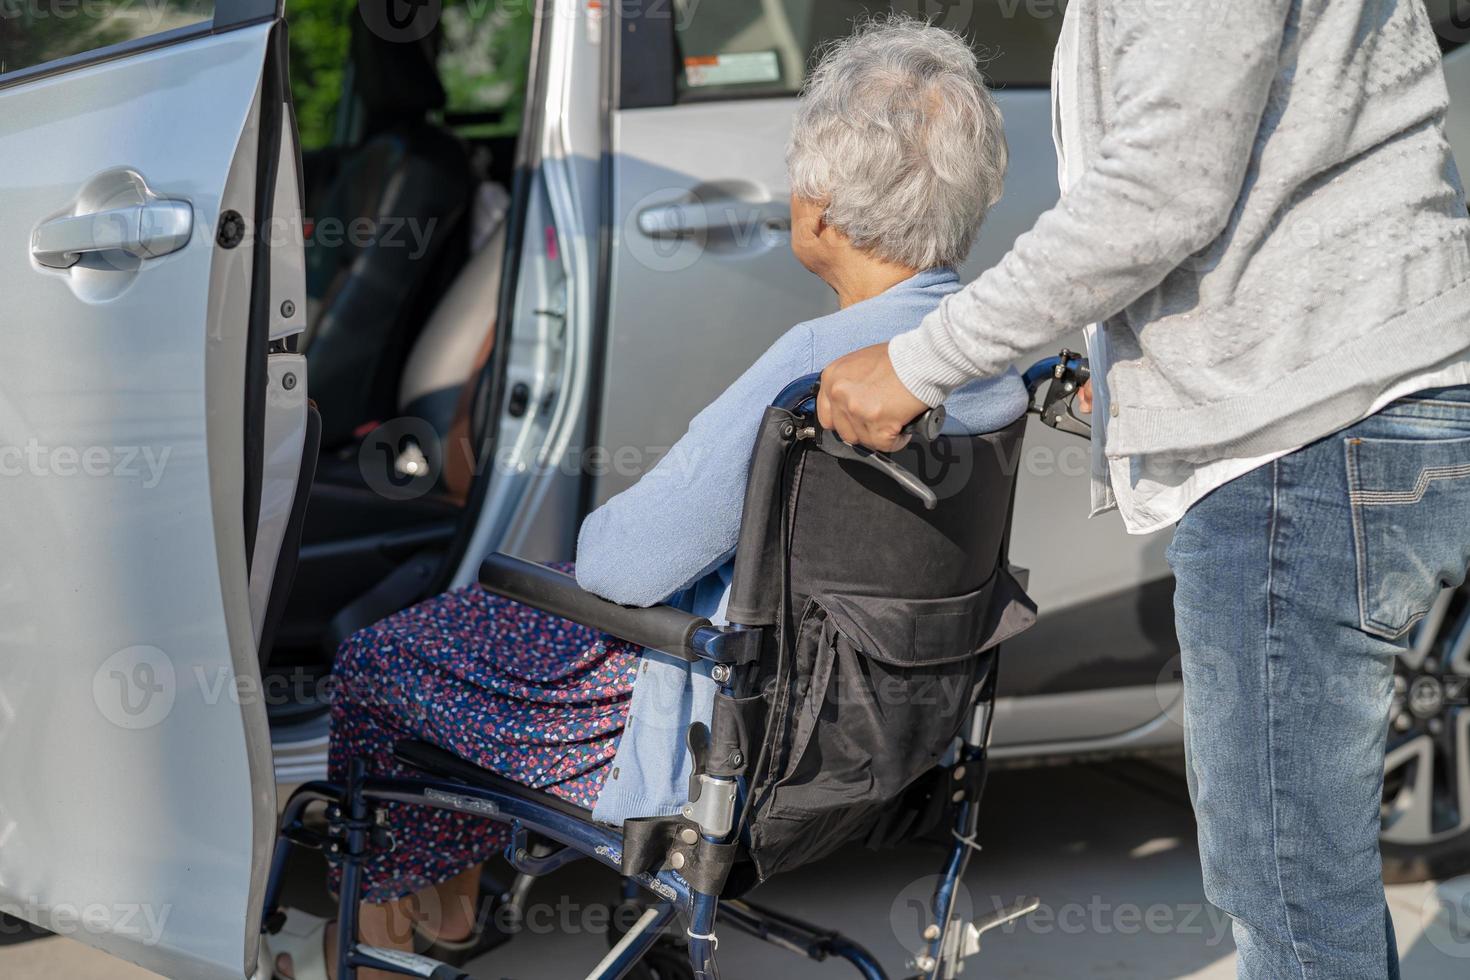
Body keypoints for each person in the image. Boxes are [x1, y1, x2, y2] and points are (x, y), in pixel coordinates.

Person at [268, 17, 1028, 979]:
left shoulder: (812, 373)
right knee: (488, 615)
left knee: (380, 661)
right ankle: (446, 910)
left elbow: (622, 567)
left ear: (823, 210)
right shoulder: (990, 367)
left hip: (711, 740)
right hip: (878, 740)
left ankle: (386, 946)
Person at [818, 3, 1470, 978]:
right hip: (1332, 406)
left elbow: (1163, 188)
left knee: (1289, 896)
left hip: (1310, 427)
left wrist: (923, 360)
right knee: (1301, 884)